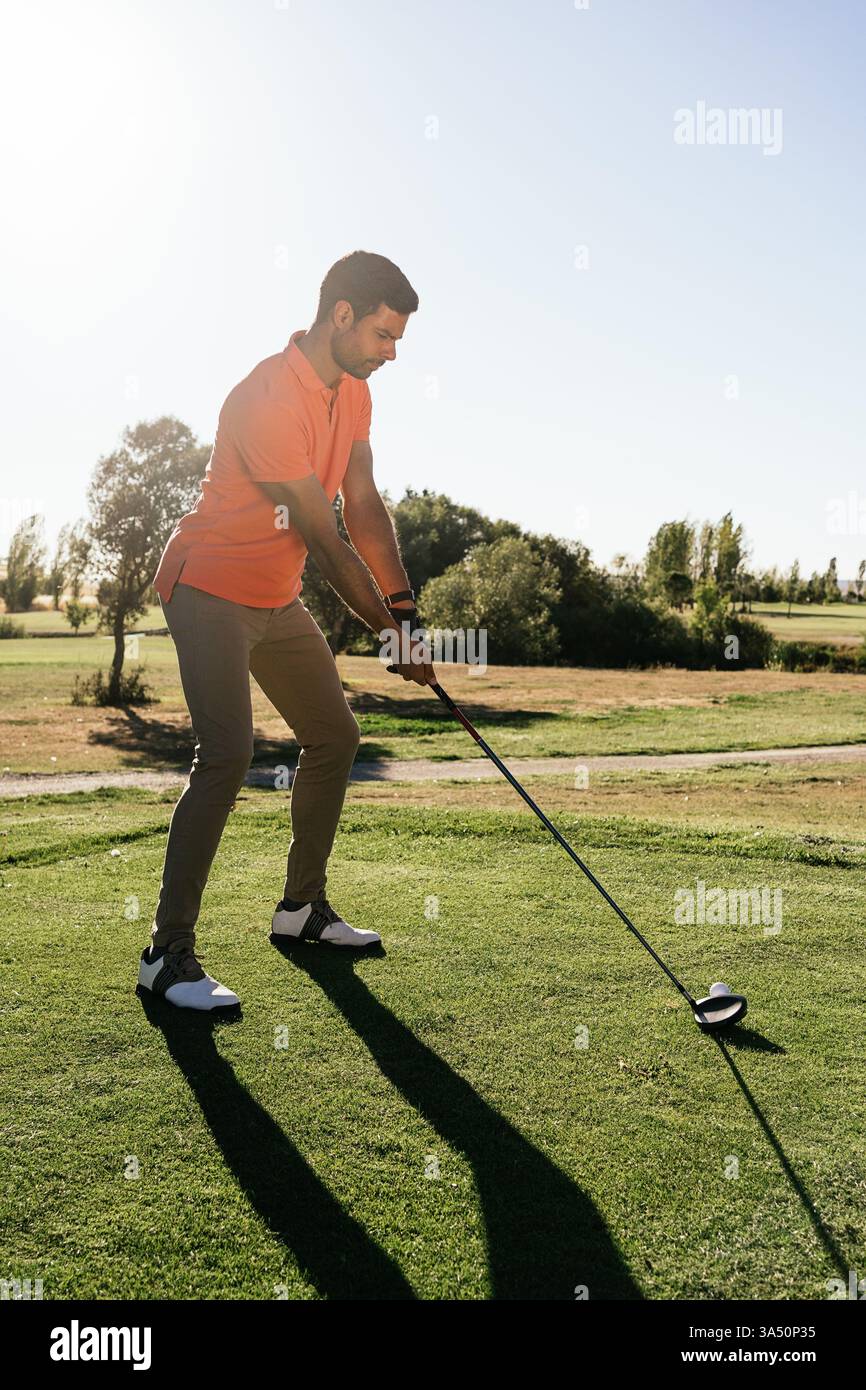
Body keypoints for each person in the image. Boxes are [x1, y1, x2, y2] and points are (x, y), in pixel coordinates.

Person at [138, 250, 434, 1011]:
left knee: (335, 736)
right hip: (207, 585)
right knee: (228, 752)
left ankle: (301, 909)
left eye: (398, 339)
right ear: (341, 315)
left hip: (275, 596)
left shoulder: (354, 392)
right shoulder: (264, 396)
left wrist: (402, 612)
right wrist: (389, 638)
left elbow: (362, 507)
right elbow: (323, 533)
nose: (391, 352)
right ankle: (166, 956)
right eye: (383, 334)